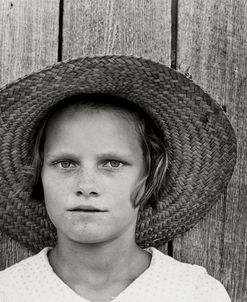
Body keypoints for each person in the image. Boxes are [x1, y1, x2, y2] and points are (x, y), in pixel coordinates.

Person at [0, 55, 236, 302]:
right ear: (40, 176)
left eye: (113, 163)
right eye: (65, 163)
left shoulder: (194, 293)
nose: (86, 186)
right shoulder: (9, 292)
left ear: (149, 175)